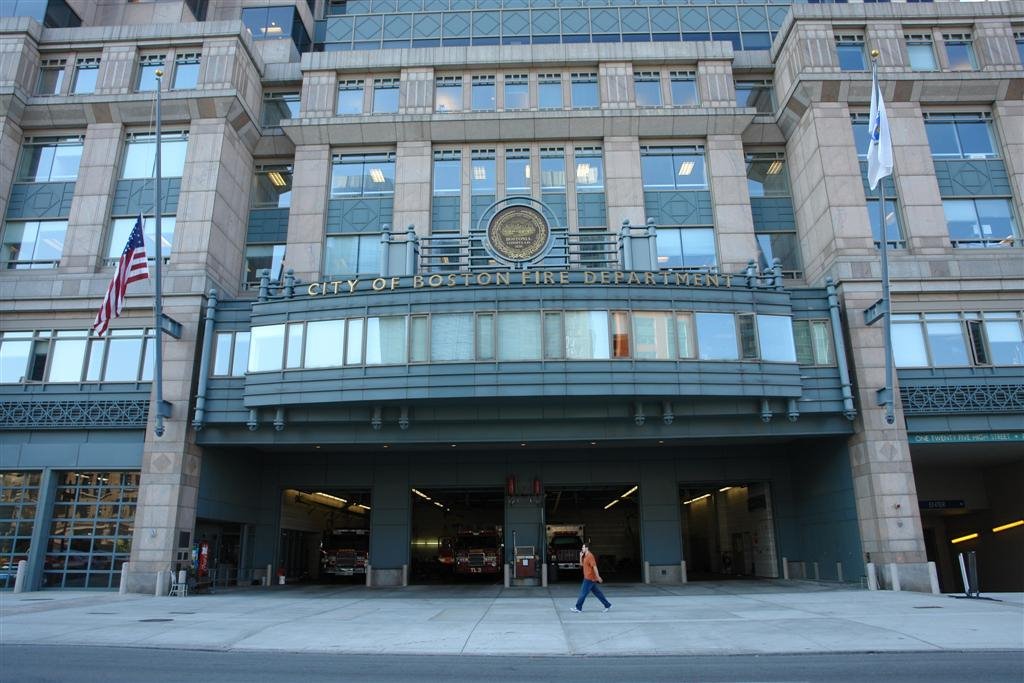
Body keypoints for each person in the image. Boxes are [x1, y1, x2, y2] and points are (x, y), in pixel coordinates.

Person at [571, 543, 611, 613]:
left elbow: (594, 567)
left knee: (582, 594)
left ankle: (578, 608)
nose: (582, 549)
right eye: (582, 548)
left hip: (589, 578)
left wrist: (598, 577)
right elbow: (581, 565)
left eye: (583, 547)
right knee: (598, 593)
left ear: (587, 548)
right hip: (589, 578)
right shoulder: (585, 556)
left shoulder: (590, 556)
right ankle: (607, 605)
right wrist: (580, 556)